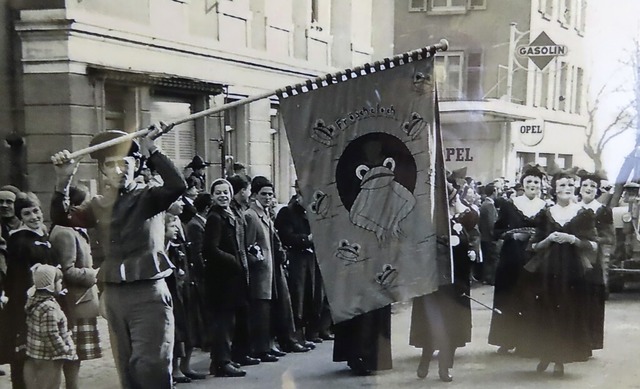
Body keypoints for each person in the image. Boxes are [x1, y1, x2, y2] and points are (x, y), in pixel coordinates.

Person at [51, 126, 186, 389]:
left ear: (135, 164)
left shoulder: (150, 196)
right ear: (102, 171)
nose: (118, 170)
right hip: (115, 296)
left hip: (148, 294)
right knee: (128, 373)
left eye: (125, 163)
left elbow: (177, 185)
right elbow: (61, 217)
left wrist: (152, 149)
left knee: (150, 367)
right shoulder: (98, 204)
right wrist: (62, 180)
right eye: (110, 165)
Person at [524, 171, 597, 377]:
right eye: (563, 185)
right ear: (554, 188)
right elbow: (534, 245)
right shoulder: (546, 213)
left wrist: (572, 239)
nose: (567, 188)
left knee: (567, 311)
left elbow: (593, 245)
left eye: (570, 185)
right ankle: (546, 354)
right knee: (546, 311)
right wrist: (549, 239)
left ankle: (559, 359)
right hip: (548, 271)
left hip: (573, 271)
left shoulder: (583, 214)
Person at [410, 179, 475, 382]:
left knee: (453, 327)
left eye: (449, 197)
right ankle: (425, 359)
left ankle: (446, 367)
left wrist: (471, 250)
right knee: (432, 325)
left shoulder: (458, 221)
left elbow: (473, 222)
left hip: (457, 284)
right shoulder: (424, 221)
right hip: (433, 284)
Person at [247, 176, 311, 355]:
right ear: (254, 196)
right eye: (263, 194)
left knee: (282, 305)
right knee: (263, 311)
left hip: (274, 268)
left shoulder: (266, 214)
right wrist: (257, 260)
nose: (268, 197)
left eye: (270, 194)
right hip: (262, 270)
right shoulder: (251, 216)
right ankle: (264, 347)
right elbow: (250, 246)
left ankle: (282, 342)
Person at [488, 165, 547, 355]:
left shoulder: (547, 208)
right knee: (509, 298)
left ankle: (529, 343)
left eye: (536, 182)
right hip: (511, 258)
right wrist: (510, 236)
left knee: (531, 299)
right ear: (522, 184)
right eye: (529, 181)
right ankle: (506, 340)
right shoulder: (509, 205)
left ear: (541, 185)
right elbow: (496, 231)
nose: (532, 185)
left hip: (535, 259)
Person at [48, 186, 102, 389]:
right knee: (71, 351)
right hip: (73, 301)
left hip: (80, 299)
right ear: (72, 206)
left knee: (76, 352)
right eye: (85, 202)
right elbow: (66, 269)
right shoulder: (65, 233)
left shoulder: (76, 229)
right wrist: (94, 275)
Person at [3, 194, 53, 389]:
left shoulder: (42, 235)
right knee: (24, 352)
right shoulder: (19, 241)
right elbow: (18, 279)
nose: (34, 216)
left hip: (46, 301)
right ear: (20, 217)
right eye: (27, 213)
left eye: (36, 211)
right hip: (27, 303)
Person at [202, 178, 251, 377]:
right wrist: (233, 260)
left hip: (234, 276)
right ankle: (221, 363)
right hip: (221, 278)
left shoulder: (231, 213)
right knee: (223, 321)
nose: (223, 195)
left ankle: (231, 357)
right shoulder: (215, 217)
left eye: (226, 192)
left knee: (233, 318)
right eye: (218, 192)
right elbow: (210, 249)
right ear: (213, 196)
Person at [274, 182, 325, 344]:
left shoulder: (312, 211)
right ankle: (296, 336)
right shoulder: (287, 212)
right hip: (296, 259)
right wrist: (307, 239)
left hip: (310, 260)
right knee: (298, 297)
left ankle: (310, 332)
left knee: (313, 295)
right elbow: (286, 236)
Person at [23, 264, 77, 389]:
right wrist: (64, 349)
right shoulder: (49, 308)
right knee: (51, 385)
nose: (61, 285)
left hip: (36, 354)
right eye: (59, 282)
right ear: (50, 285)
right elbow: (50, 334)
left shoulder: (34, 301)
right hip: (49, 357)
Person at [577, 170, 613, 350]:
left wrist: (592, 240)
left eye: (592, 186)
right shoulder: (572, 207)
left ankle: (589, 342)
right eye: (585, 185)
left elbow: (609, 237)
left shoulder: (602, 211)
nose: (588, 189)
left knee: (591, 301)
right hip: (574, 259)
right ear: (579, 188)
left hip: (593, 262)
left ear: (597, 190)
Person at [182, 193, 212, 379]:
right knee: (194, 320)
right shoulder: (195, 225)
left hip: (198, 278)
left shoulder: (198, 223)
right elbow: (197, 254)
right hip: (197, 279)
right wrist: (206, 273)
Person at [478, 184, 499, 285]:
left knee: (487, 259)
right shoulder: (490, 205)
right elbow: (492, 223)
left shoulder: (484, 204)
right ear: (494, 192)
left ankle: (486, 278)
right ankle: (491, 279)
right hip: (489, 237)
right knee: (493, 258)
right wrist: (495, 236)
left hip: (484, 236)